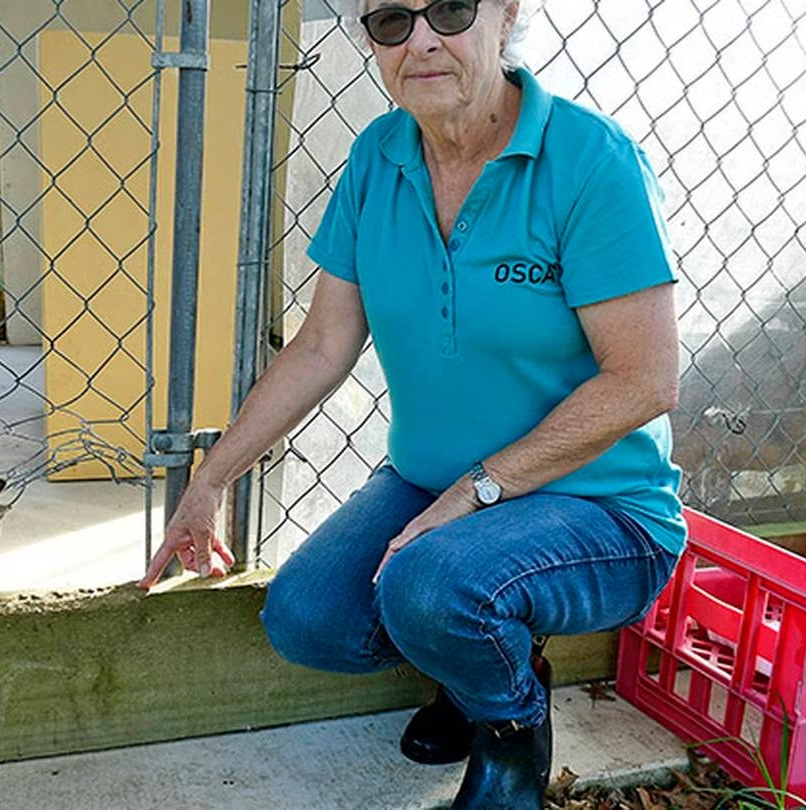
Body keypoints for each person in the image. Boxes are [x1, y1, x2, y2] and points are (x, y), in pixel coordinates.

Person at [138, 0, 686, 806]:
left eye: (451, 11)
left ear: (506, 16)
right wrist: (210, 480)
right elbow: (324, 345)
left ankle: (510, 728)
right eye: (391, 20)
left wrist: (477, 493)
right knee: (306, 618)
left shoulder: (591, 161)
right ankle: (477, 657)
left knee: (432, 583)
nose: (421, 40)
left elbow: (645, 380)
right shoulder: (377, 158)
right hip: (435, 483)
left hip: (599, 505)